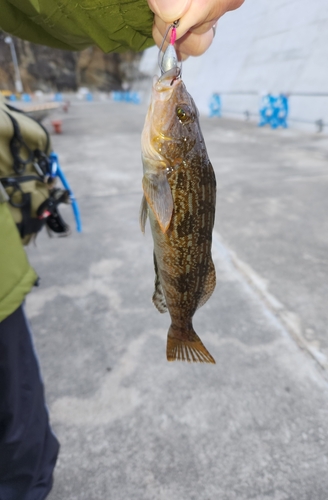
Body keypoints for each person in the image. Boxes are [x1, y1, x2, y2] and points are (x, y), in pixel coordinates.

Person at [0, 0, 243, 498]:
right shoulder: (166, 162)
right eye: (184, 114)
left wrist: (144, 12)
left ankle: (182, 324)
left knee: (20, 438)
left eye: (184, 115)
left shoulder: (169, 165)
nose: (179, 104)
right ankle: (182, 324)